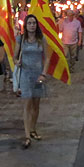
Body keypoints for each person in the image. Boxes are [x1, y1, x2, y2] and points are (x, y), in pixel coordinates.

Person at [14, 15, 49, 149]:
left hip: (38, 75)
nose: (32, 25)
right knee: (27, 104)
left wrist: (43, 73)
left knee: (36, 104)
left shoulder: (41, 39)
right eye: (29, 23)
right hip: (25, 75)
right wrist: (17, 62)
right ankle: (27, 135)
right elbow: (14, 57)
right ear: (26, 25)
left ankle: (33, 129)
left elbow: (47, 58)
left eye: (34, 23)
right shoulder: (21, 39)